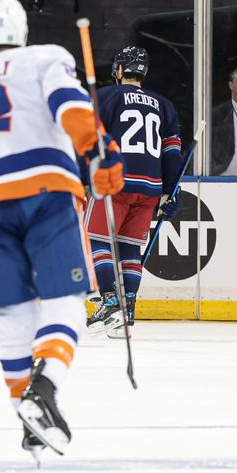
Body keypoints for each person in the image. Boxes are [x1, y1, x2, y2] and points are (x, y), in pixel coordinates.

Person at [0, 0, 125, 462]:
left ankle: (28, 422)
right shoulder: (46, 57)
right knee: (67, 299)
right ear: (23, 34)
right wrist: (98, 149)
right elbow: (69, 106)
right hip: (45, 190)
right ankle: (45, 387)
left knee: (12, 315)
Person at [83, 47, 183, 338]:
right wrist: (171, 191)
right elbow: (172, 154)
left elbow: (87, 139)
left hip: (116, 181)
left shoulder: (104, 97)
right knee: (129, 248)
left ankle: (110, 301)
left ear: (119, 69)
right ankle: (127, 312)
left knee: (96, 240)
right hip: (149, 188)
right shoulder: (164, 105)